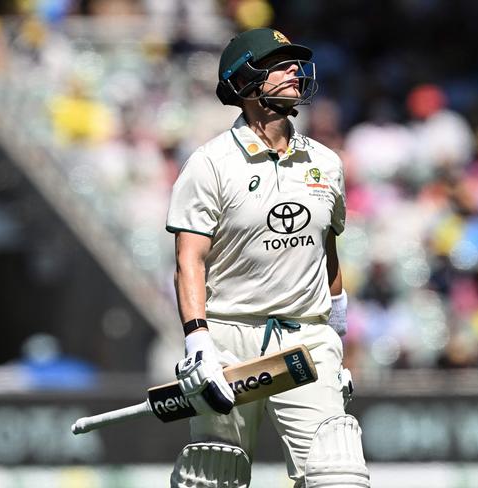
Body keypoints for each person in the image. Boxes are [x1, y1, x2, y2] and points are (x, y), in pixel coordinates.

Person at [165, 28, 370, 488]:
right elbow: (189, 261)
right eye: (279, 63)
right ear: (246, 81)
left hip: (307, 340)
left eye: (294, 62)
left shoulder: (327, 163)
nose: (295, 70)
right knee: (215, 476)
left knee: (339, 475)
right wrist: (198, 343)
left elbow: (328, 254)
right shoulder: (210, 164)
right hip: (229, 339)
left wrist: (337, 340)